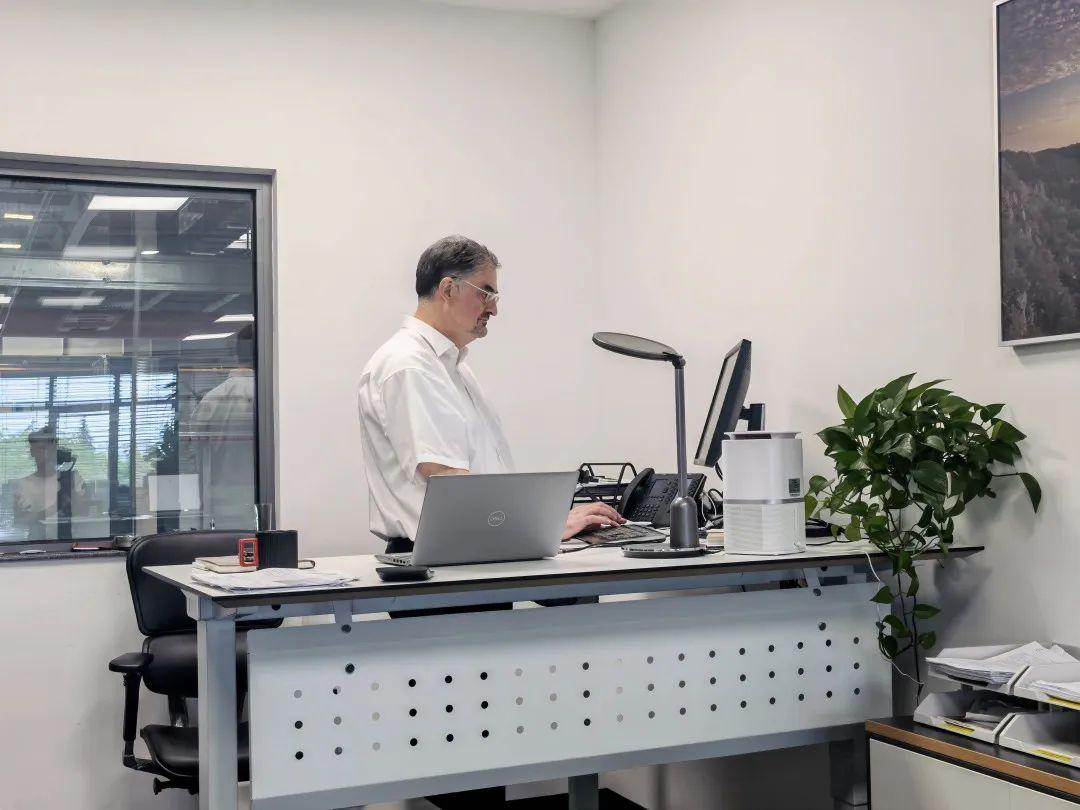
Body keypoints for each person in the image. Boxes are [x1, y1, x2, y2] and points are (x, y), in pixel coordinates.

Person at [358, 235, 623, 554]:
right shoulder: (410, 365)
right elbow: (447, 479)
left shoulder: (452, 368)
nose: (494, 309)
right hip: (442, 559)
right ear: (448, 289)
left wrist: (544, 522)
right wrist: (547, 523)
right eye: (486, 294)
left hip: (469, 548)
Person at [12, 427, 84, 541]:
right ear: (32, 452)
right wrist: (52, 508)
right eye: (40, 449)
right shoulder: (23, 485)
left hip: (68, 545)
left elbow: (85, 513)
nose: (45, 453)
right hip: (35, 545)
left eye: (49, 449)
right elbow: (19, 522)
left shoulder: (72, 479)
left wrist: (71, 492)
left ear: (55, 450)